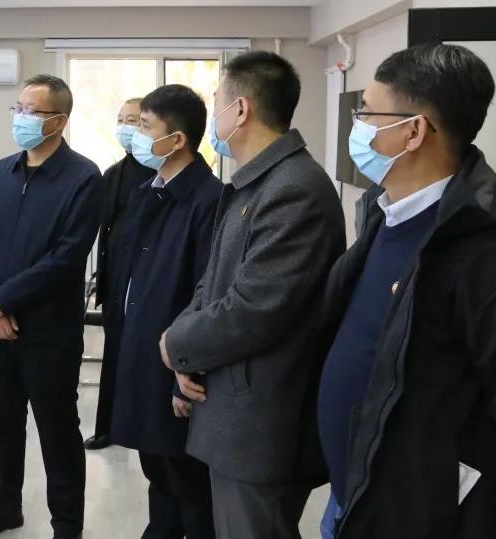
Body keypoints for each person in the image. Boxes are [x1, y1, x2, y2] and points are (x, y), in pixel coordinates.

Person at [315, 43, 496, 539]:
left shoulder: (488, 250)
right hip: (352, 495)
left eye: (366, 113)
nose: (357, 125)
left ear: (414, 131)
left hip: (416, 514)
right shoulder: (383, 212)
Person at [159, 51, 345, 539]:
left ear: (239, 109)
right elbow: (212, 282)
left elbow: (253, 310)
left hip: (260, 425)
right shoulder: (254, 183)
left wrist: (175, 344)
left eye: (217, 101)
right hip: (232, 412)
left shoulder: (293, 189)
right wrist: (183, 344)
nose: (213, 115)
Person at [0, 74, 101, 539]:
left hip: (50, 330)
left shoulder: (83, 177)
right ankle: (4, 510)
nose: (20, 118)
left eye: (31, 111)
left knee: (57, 431)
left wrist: (3, 300)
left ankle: (67, 526)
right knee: (1, 425)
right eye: (17, 108)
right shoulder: (1, 171)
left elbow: (67, 257)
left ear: (59, 121)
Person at [106, 85, 222, 538]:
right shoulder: (148, 191)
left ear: (176, 140)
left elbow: (206, 295)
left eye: (144, 126)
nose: (135, 135)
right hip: (142, 351)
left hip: (176, 365)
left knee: (187, 481)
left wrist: (186, 372)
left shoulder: (208, 200)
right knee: (157, 470)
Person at [84, 96, 156, 451]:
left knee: (147, 358)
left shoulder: (162, 172)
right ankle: (108, 428)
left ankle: (144, 426)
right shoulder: (113, 174)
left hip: (149, 282)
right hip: (115, 280)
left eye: (134, 121)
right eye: (121, 120)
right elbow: (105, 230)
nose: (126, 127)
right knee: (114, 354)